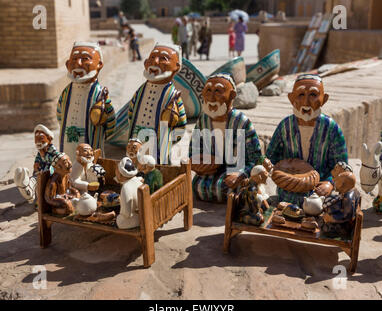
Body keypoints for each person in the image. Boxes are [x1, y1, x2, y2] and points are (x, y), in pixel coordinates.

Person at [266, 74, 348, 206]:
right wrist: (266, 165)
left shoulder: (331, 128)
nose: (306, 103)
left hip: (318, 193)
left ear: (324, 98)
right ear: (291, 98)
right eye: (301, 95)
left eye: (313, 95)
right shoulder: (285, 126)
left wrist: (329, 183)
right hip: (288, 191)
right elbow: (271, 157)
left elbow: (341, 166)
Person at [189, 73, 265, 203]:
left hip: (235, 171)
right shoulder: (203, 121)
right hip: (209, 174)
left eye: (218, 91)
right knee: (197, 185)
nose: (211, 97)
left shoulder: (241, 122)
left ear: (232, 96)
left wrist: (240, 174)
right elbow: (194, 152)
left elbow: (255, 159)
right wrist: (198, 163)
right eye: (208, 90)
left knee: (231, 187)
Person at [109, 43, 187, 164]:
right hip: (136, 143)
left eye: (163, 59)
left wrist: (166, 141)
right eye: (152, 57)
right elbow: (131, 112)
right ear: (145, 63)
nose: (155, 62)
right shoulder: (141, 91)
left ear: (176, 67)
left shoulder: (172, 96)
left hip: (158, 149)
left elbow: (181, 124)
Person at [57, 42, 116, 161]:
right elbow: (59, 114)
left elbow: (111, 122)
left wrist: (100, 136)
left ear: (99, 64)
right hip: (67, 144)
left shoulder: (99, 94)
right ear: (68, 64)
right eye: (74, 59)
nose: (78, 64)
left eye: (85, 59)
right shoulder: (66, 92)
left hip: (91, 146)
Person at [14, 124, 60, 203]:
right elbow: (38, 159)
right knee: (36, 182)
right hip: (40, 172)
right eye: (36, 139)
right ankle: (27, 188)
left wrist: (44, 156)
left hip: (51, 173)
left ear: (48, 139)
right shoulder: (40, 151)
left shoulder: (52, 150)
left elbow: (56, 159)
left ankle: (39, 198)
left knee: (45, 186)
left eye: (41, 138)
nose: (38, 142)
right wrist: (36, 164)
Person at [115, 157, 143, 229]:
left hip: (136, 218)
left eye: (116, 171)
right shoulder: (137, 180)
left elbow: (126, 213)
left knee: (120, 220)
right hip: (142, 212)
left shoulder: (126, 187)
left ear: (121, 174)